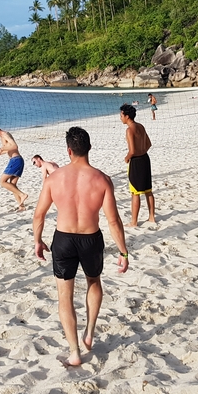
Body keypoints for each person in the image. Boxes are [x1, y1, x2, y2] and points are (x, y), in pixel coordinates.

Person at [33, 126, 129, 367]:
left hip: (63, 239)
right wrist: (123, 251)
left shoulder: (54, 178)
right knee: (94, 282)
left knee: (64, 296)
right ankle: (89, 332)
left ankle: (74, 351)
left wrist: (38, 240)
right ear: (89, 148)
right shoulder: (102, 179)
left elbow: (39, 215)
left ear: (68, 151)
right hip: (91, 238)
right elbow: (114, 220)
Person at [119, 104, 155, 226]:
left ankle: (134, 222)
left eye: (121, 115)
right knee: (148, 191)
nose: (120, 117)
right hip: (145, 159)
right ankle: (151, 217)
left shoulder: (129, 130)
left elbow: (132, 151)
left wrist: (127, 158)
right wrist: (142, 151)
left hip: (136, 161)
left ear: (127, 116)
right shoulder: (140, 126)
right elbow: (149, 144)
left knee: (135, 193)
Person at [0, 122, 28, 210]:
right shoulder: (2, 137)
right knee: (12, 185)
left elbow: (15, 146)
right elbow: (9, 149)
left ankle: (23, 195)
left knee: (2, 182)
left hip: (16, 160)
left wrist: (1, 149)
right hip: (16, 160)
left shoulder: (5, 134)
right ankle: (21, 206)